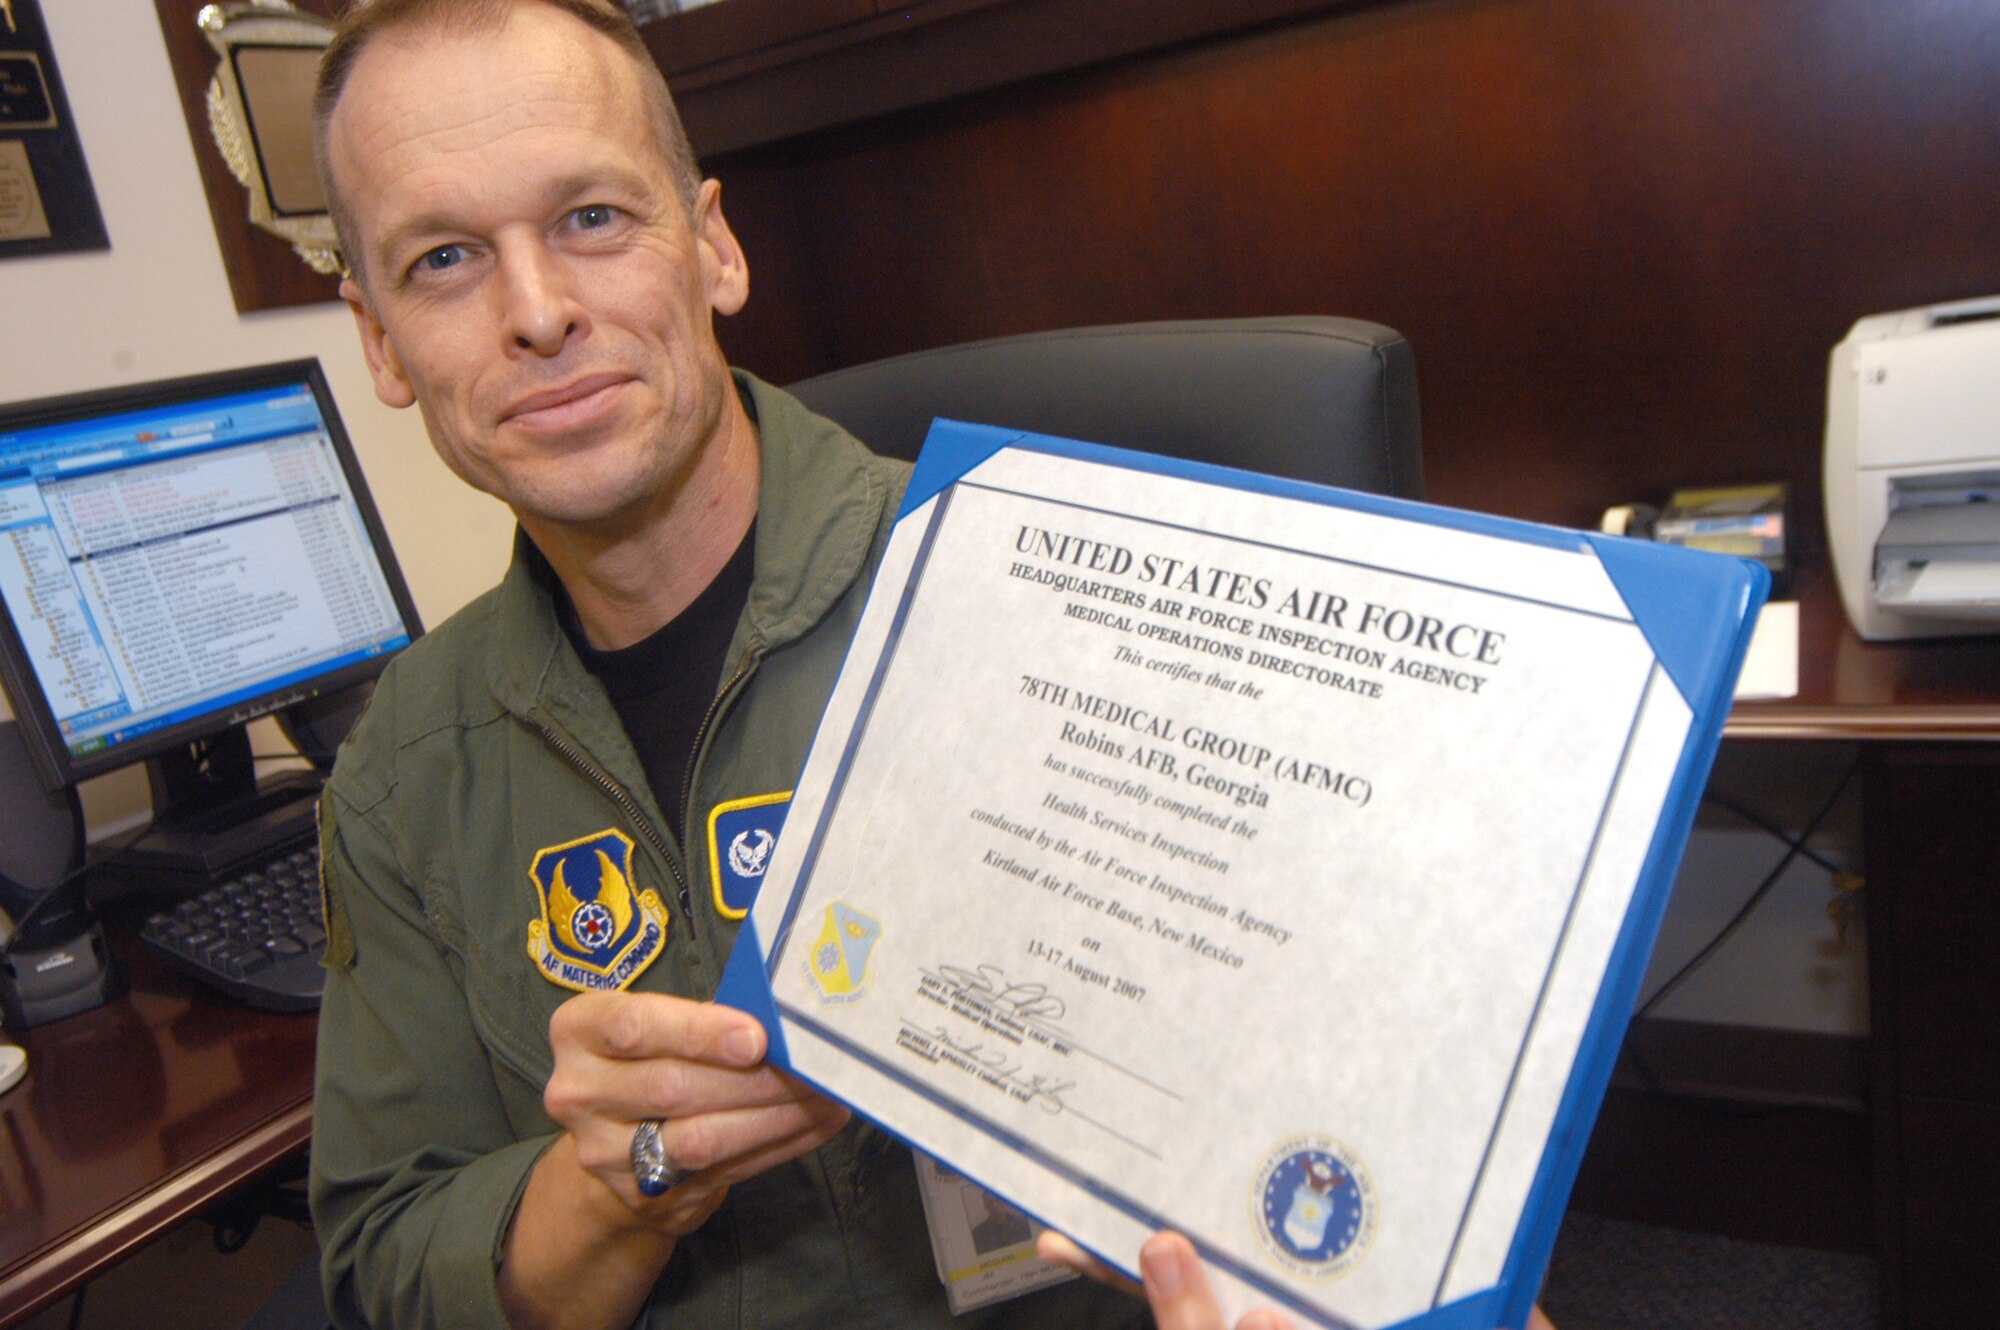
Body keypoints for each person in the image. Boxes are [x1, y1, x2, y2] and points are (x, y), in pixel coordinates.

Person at [307, 3, 1554, 1328]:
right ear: (380, 339)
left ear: (712, 246)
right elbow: (390, 1264)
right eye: (444, 258)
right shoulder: (402, 767)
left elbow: (1388, 1175)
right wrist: (616, 1183)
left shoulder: (1065, 601)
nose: (539, 312)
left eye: (593, 220)